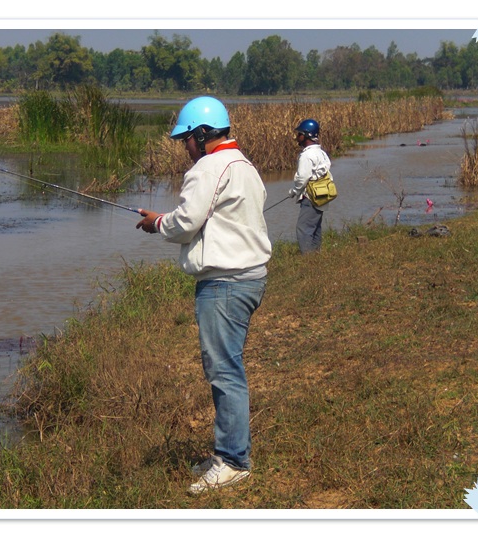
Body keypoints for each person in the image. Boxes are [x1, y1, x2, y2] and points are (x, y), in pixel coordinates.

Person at [136, 96, 272, 494]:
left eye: (186, 141)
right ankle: (228, 452)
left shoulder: (208, 168)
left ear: (200, 135)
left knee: (224, 372)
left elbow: (185, 223)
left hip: (224, 285)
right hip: (249, 279)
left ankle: (232, 461)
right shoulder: (246, 166)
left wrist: (156, 222)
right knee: (229, 367)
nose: (185, 149)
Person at [288, 119, 333, 253]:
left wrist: (294, 191)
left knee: (303, 229)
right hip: (322, 195)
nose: (297, 137)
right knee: (315, 227)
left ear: (306, 135)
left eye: (299, 134)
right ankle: (315, 255)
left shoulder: (307, 155)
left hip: (311, 197)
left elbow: (302, 178)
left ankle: (307, 260)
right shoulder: (321, 153)